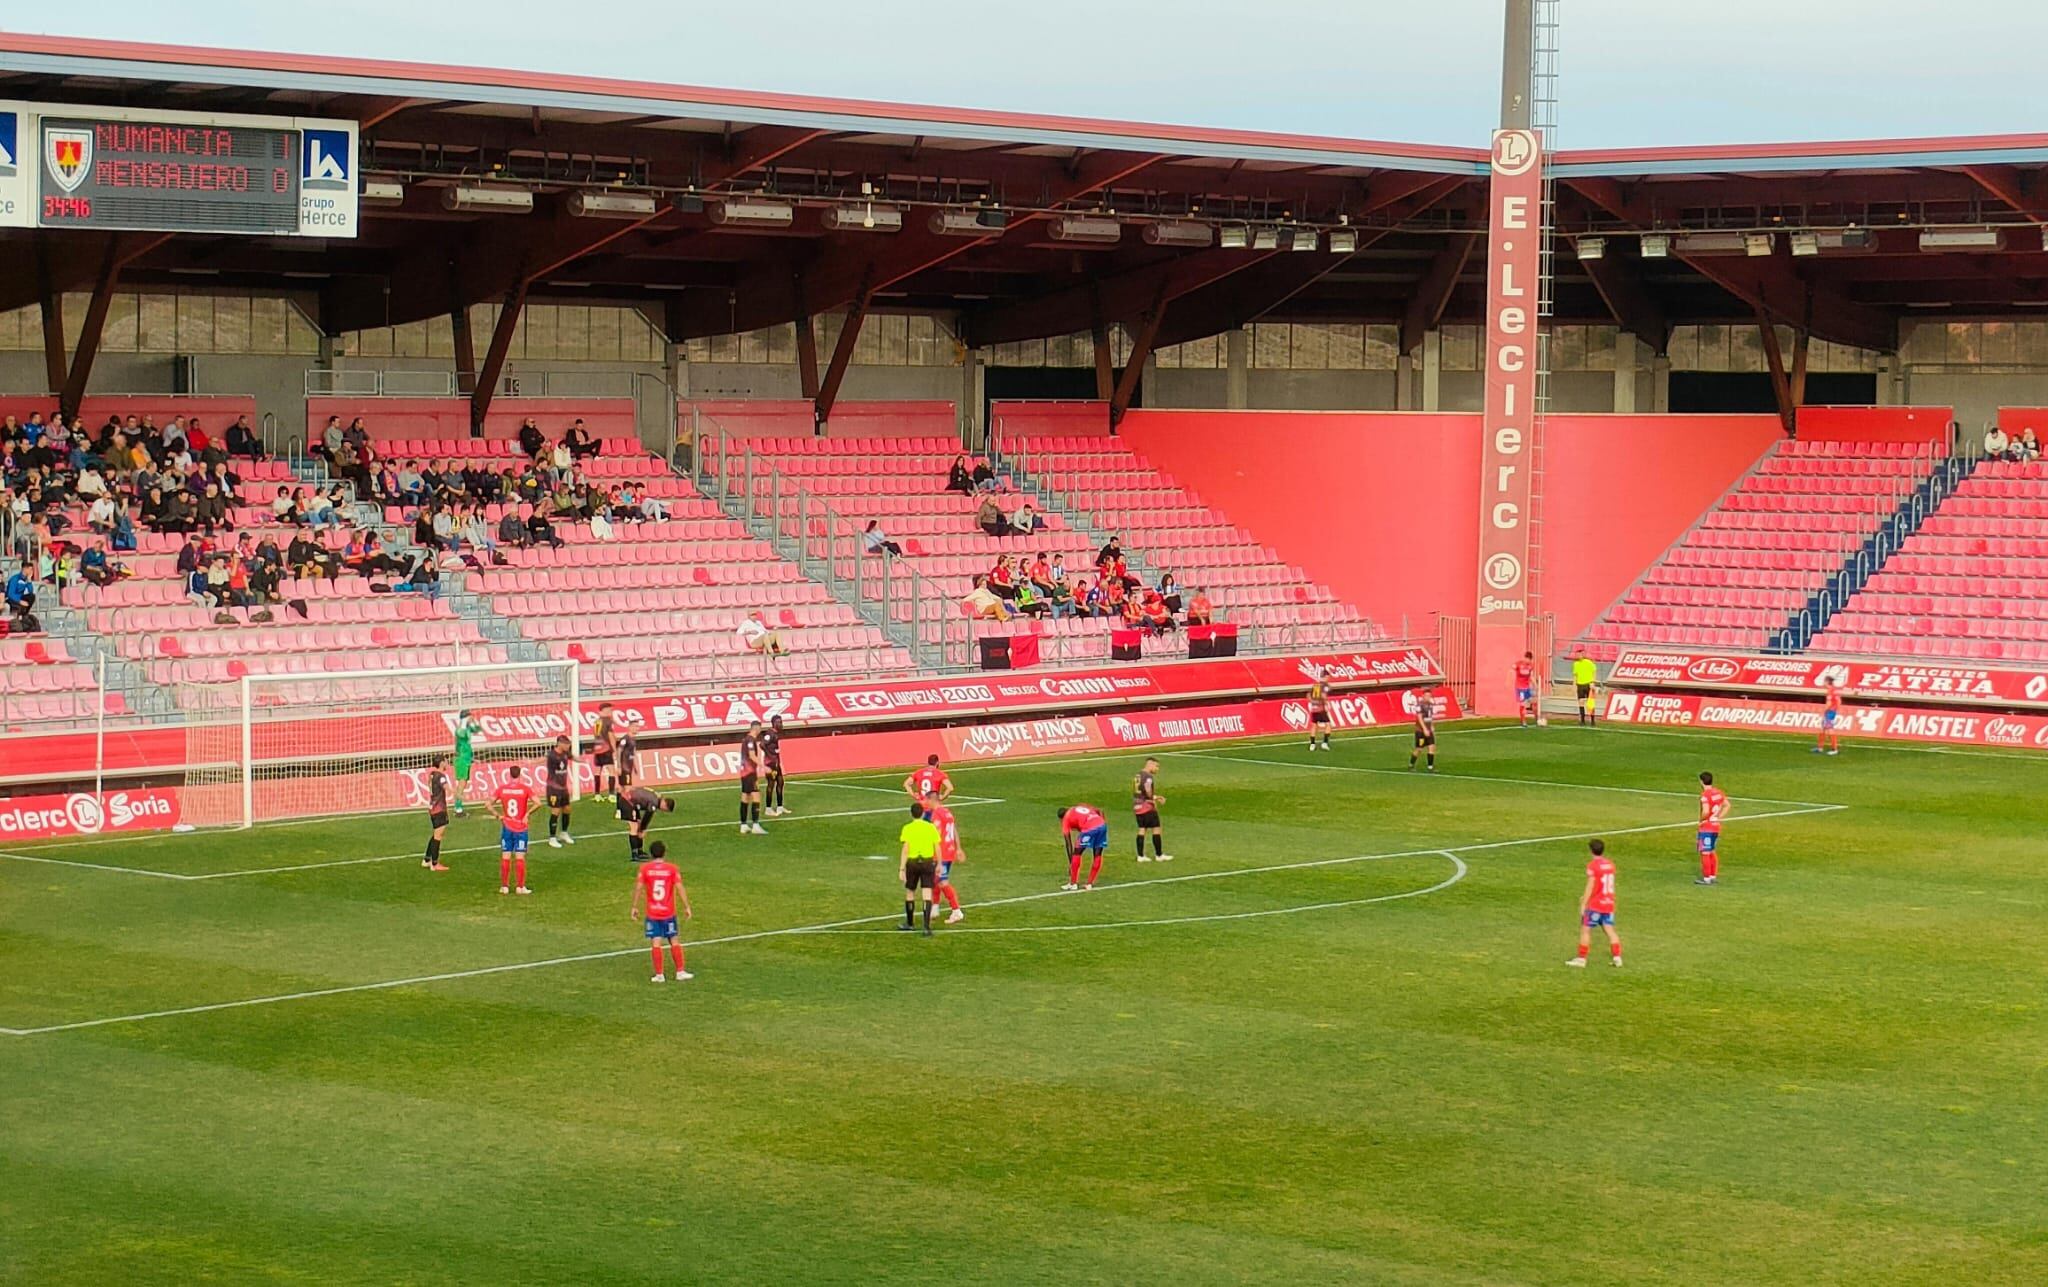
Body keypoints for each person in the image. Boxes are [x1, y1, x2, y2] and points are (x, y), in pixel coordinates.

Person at [632, 841, 693, 983]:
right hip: (668, 912)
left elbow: (639, 888)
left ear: (651, 854)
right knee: (674, 940)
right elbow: (679, 888)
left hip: (653, 913)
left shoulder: (645, 868)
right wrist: (687, 906)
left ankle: (659, 974)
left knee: (656, 942)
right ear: (664, 852)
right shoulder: (671, 869)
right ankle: (680, 971)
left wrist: (634, 907)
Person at [1568, 839, 1623, 969]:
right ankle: (1617, 958)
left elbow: (1591, 885)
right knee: (1610, 930)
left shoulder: (1593, 866)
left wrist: (1583, 902)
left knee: (1585, 930)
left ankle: (1581, 959)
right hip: (1608, 903)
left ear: (1590, 850)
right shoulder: (1610, 864)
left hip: (1596, 905)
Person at [489, 764, 535, 896]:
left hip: (507, 827)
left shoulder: (502, 789)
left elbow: (487, 803)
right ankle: (520, 887)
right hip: (521, 827)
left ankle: (504, 887)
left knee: (506, 856)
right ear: (520, 774)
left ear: (509, 774)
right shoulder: (525, 789)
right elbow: (538, 802)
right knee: (520, 857)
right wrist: (527, 814)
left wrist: (497, 815)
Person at [898, 802, 942, 936]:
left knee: (910, 892)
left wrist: (901, 869)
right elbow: (937, 847)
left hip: (912, 862)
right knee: (927, 893)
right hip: (928, 862)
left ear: (911, 814)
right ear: (923, 813)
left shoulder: (907, 828)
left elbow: (905, 849)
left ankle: (910, 923)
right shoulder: (930, 827)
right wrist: (939, 863)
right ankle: (926, 927)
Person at [925, 791, 966, 924]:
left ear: (932, 800)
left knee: (942, 881)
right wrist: (958, 848)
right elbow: (953, 830)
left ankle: (956, 911)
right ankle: (935, 908)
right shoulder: (947, 812)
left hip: (941, 854)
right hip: (949, 850)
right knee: (935, 879)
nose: (926, 804)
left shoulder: (936, 814)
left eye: (927, 801)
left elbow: (935, 835)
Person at [617, 783, 676, 863]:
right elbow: (647, 816)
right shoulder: (655, 802)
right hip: (627, 802)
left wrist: (642, 829)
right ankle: (635, 854)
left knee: (638, 825)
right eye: (665, 810)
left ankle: (639, 851)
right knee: (634, 827)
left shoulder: (657, 797)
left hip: (632, 802)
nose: (663, 810)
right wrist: (643, 829)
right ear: (665, 805)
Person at [1059, 803, 1109, 891]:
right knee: (1097, 854)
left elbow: (1068, 843)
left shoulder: (1065, 819)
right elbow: (1099, 810)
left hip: (1090, 829)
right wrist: (1102, 822)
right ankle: (1089, 884)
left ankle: (1073, 884)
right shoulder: (1078, 807)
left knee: (1077, 853)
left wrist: (1071, 864)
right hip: (1102, 825)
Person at [1132, 758, 1171, 862]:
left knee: (1142, 829)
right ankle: (1159, 855)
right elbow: (1148, 790)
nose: (1157, 769)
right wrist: (1153, 799)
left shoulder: (1138, 775)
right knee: (1156, 829)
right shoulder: (1148, 777)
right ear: (1150, 765)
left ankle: (1140, 856)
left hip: (1137, 805)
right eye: (1156, 766)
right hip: (1147, 806)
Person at [543, 734, 577, 849]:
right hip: (553, 788)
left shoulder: (566, 753)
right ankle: (552, 838)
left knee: (567, 809)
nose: (568, 746)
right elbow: (542, 759)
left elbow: (573, 757)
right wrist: (529, 762)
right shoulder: (551, 754)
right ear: (560, 743)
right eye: (567, 744)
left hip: (563, 788)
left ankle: (563, 833)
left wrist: (583, 761)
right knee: (556, 811)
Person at [422, 754, 454, 872]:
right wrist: (458, 794)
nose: (447, 763)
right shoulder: (441, 776)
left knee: (436, 833)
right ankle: (434, 864)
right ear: (441, 763)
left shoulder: (431, 774)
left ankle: (426, 859)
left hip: (432, 807)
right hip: (439, 808)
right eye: (445, 761)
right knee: (438, 835)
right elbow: (446, 787)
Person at [1696, 771, 1728, 886]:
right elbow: (1727, 805)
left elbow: (1705, 810)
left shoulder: (1705, 795)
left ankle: (1706, 879)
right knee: (1712, 851)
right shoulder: (1718, 793)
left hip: (1707, 828)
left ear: (1701, 781)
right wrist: (1718, 817)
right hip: (1715, 826)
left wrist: (1702, 820)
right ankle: (1712, 876)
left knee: (1705, 852)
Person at [737, 720, 767, 835]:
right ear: (756, 728)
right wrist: (763, 766)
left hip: (744, 772)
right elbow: (752, 755)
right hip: (749, 773)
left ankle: (743, 825)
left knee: (745, 796)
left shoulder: (746, 739)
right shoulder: (750, 740)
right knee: (756, 796)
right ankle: (755, 825)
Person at [451, 709, 482, 815]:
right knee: (461, 783)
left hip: (466, 759)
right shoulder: (460, 729)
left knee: (463, 784)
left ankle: (458, 806)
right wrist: (465, 721)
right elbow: (462, 735)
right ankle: (458, 808)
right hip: (461, 759)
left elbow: (478, 729)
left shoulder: (468, 728)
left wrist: (474, 721)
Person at [760, 715, 787, 817]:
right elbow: (762, 744)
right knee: (771, 784)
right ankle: (768, 808)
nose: (781, 724)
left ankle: (780, 807)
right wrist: (770, 755)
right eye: (779, 722)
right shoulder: (770, 734)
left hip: (776, 762)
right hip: (770, 763)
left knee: (780, 782)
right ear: (774, 723)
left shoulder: (776, 734)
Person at [590, 702, 617, 800]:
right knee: (611, 771)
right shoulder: (607, 721)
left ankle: (597, 794)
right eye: (610, 710)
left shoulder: (597, 721)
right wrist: (614, 749)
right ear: (604, 710)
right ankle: (611, 795)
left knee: (598, 771)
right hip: (606, 748)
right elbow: (610, 735)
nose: (611, 711)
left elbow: (595, 734)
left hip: (597, 748)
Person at [1408, 689, 1438, 773]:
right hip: (1420, 732)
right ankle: (1411, 764)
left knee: (1432, 747)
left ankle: (1430, 767)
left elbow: (1430, 717)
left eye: (1429, 696)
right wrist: (1424, 729)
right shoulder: (1420, 705)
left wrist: (1431, 726)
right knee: (1419, 749)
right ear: (1423, 696)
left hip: (1428, 730)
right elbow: (1419, 717)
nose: (1428, 697)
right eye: (1426, 696)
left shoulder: (1431, 705)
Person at [1571, 650, 1598, 727]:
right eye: (1577, 655)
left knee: (1591, 703)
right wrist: (1574, 685)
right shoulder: (1576, 664)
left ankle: (1592, 720)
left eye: (1579, 654)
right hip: (1580, 685)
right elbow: (1575, 675)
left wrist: (1593, 682)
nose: (1578, 656)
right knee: (1581, 702)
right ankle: (1582, 720)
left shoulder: (1589, 662)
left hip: (1588, 685)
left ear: (1583, 654)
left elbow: (1594, 671)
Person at [1814, 680, 1842, 756]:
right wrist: (1836, 709)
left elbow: (1829, 703)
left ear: (1827, 682)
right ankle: (1820, 748)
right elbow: (1839, 701)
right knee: (1823, 728)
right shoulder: (1835, 691)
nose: (1823, 683)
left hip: (1829, 712)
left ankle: (1834, 749)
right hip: (1832, 711)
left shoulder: (1830, 691)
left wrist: (1824, 711)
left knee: (1830, 729)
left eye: (1824, 682)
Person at [1306, 676, 1333, 751]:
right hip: (1321, 708)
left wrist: (1312, 702)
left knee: (1314, 725)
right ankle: (1325, 742)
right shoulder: (1324, 686)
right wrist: (1326, 703)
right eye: (1328, 677)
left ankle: (1312, 744)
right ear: (1326, 677)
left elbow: (1308, 695)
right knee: (1328, 724)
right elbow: (1323, 695)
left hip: (1314, 709)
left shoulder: (1315, 685)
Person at [1515, 651, 1539, 728]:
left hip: (1528, 687)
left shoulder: (1530, 666)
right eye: (1527, 659)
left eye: (1530, 660)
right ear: (1525, 658)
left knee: (1534, 703)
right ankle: (1523, 721)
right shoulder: (1518, 664)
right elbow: (1511, 671)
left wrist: (1535, 685)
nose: (1528, 661)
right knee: (1523, 704)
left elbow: (1531, 676)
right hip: (1520, 688)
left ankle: (1537, 720)